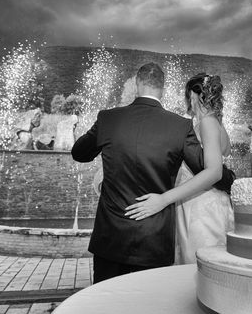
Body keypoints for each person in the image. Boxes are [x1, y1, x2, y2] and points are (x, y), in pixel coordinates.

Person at [71, 62, 233, 283]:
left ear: (137, 83)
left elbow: (79, 153)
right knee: (150, 308)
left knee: (105, 305)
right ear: (163, 88)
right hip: (154, 239)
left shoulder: (107, 118)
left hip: (110, 238)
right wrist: (234, 184)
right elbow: (207, 168)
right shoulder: (179, 126)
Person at [173, 73, 234, 264]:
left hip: (200, 207)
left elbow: (213, 171)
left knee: (198, 265)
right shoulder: (216, 122)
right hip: (217, 202)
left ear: (193, 95)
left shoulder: (206, 122)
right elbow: (226, 149)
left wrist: (167, 197)